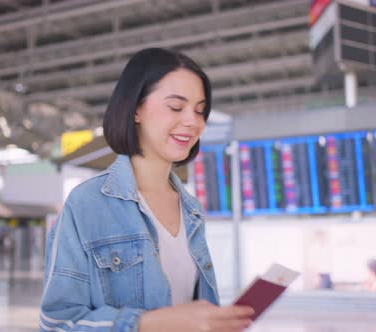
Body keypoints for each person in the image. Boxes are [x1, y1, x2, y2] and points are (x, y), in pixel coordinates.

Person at [39, 48, 254, 332]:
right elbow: (57, 323)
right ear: (136, 108)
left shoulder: (191, 210)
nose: (193, 121)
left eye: (200, 110)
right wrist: (148, 324)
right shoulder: (87, 204)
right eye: (176, 107)